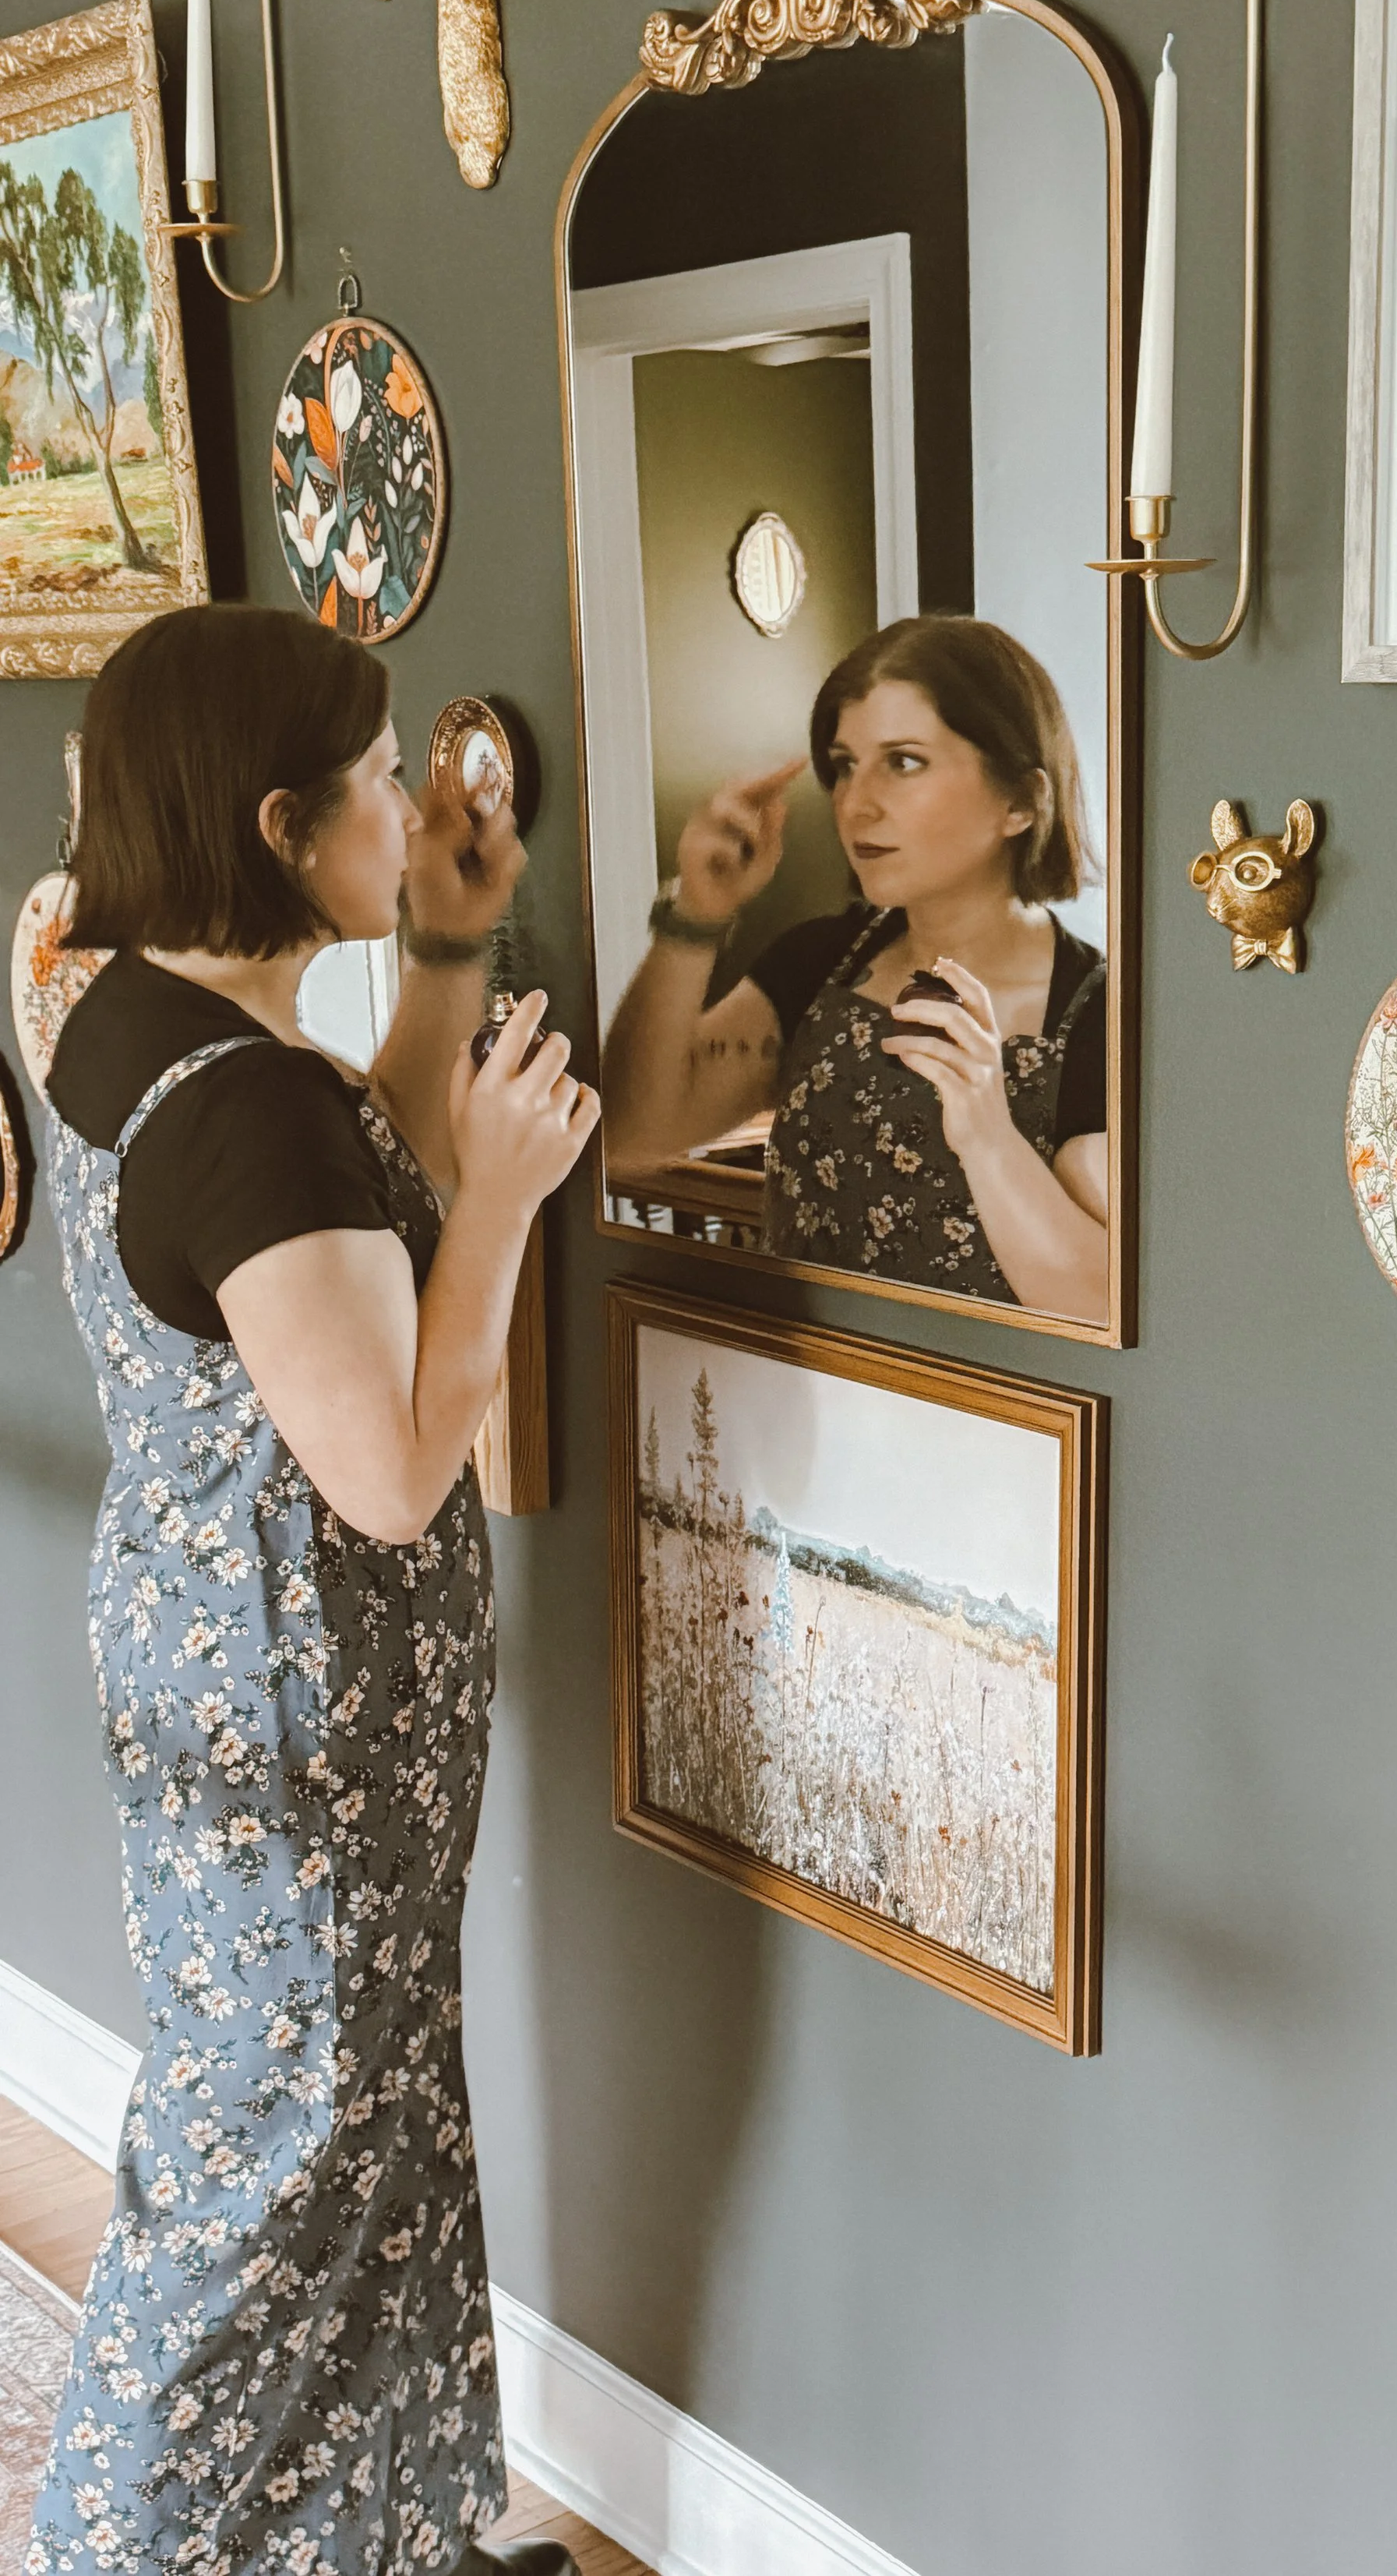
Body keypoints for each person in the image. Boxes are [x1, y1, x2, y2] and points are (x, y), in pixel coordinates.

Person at [26, 603, 599, 2576]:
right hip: (302, 1711)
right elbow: (391, 1464)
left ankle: (375, 2544)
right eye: (374, 782)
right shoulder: (251, 1107)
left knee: (344, 2134)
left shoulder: (137, 1012)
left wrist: (445, 945)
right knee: (273, 2175)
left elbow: (345, 1180)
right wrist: (514, 1198)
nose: (407, 800)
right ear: (280, 828)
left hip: (212, 1654)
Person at [601, 616, 1109, 1322]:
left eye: (903, 761)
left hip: (994, 1424)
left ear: (1021, 802)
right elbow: (632, 1134)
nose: (856, 803)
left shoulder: (1096, 1016)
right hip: (805, 1408)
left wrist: (987, 1133)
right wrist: (696, 914)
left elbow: (1095, 1303)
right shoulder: (822, 964)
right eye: (844, 765)